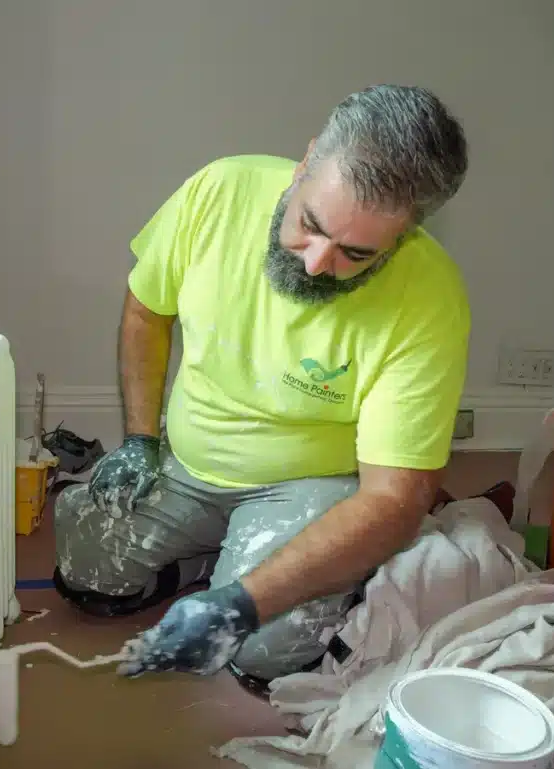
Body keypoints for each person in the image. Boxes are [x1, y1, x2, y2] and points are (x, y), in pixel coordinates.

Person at [52, 85, 471, 690]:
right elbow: (147, 312)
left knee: (263, 651)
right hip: (187, 460)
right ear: (304, 164)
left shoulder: (431, 299)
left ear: (403, 236)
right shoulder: (219, 191)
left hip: (307, 486)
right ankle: (211, 556)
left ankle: (243, 572)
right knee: (88, 572)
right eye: (310, 224)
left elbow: (393, 499)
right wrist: (141, 439)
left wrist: (239, 606)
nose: (316, 262)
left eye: (356, 253)